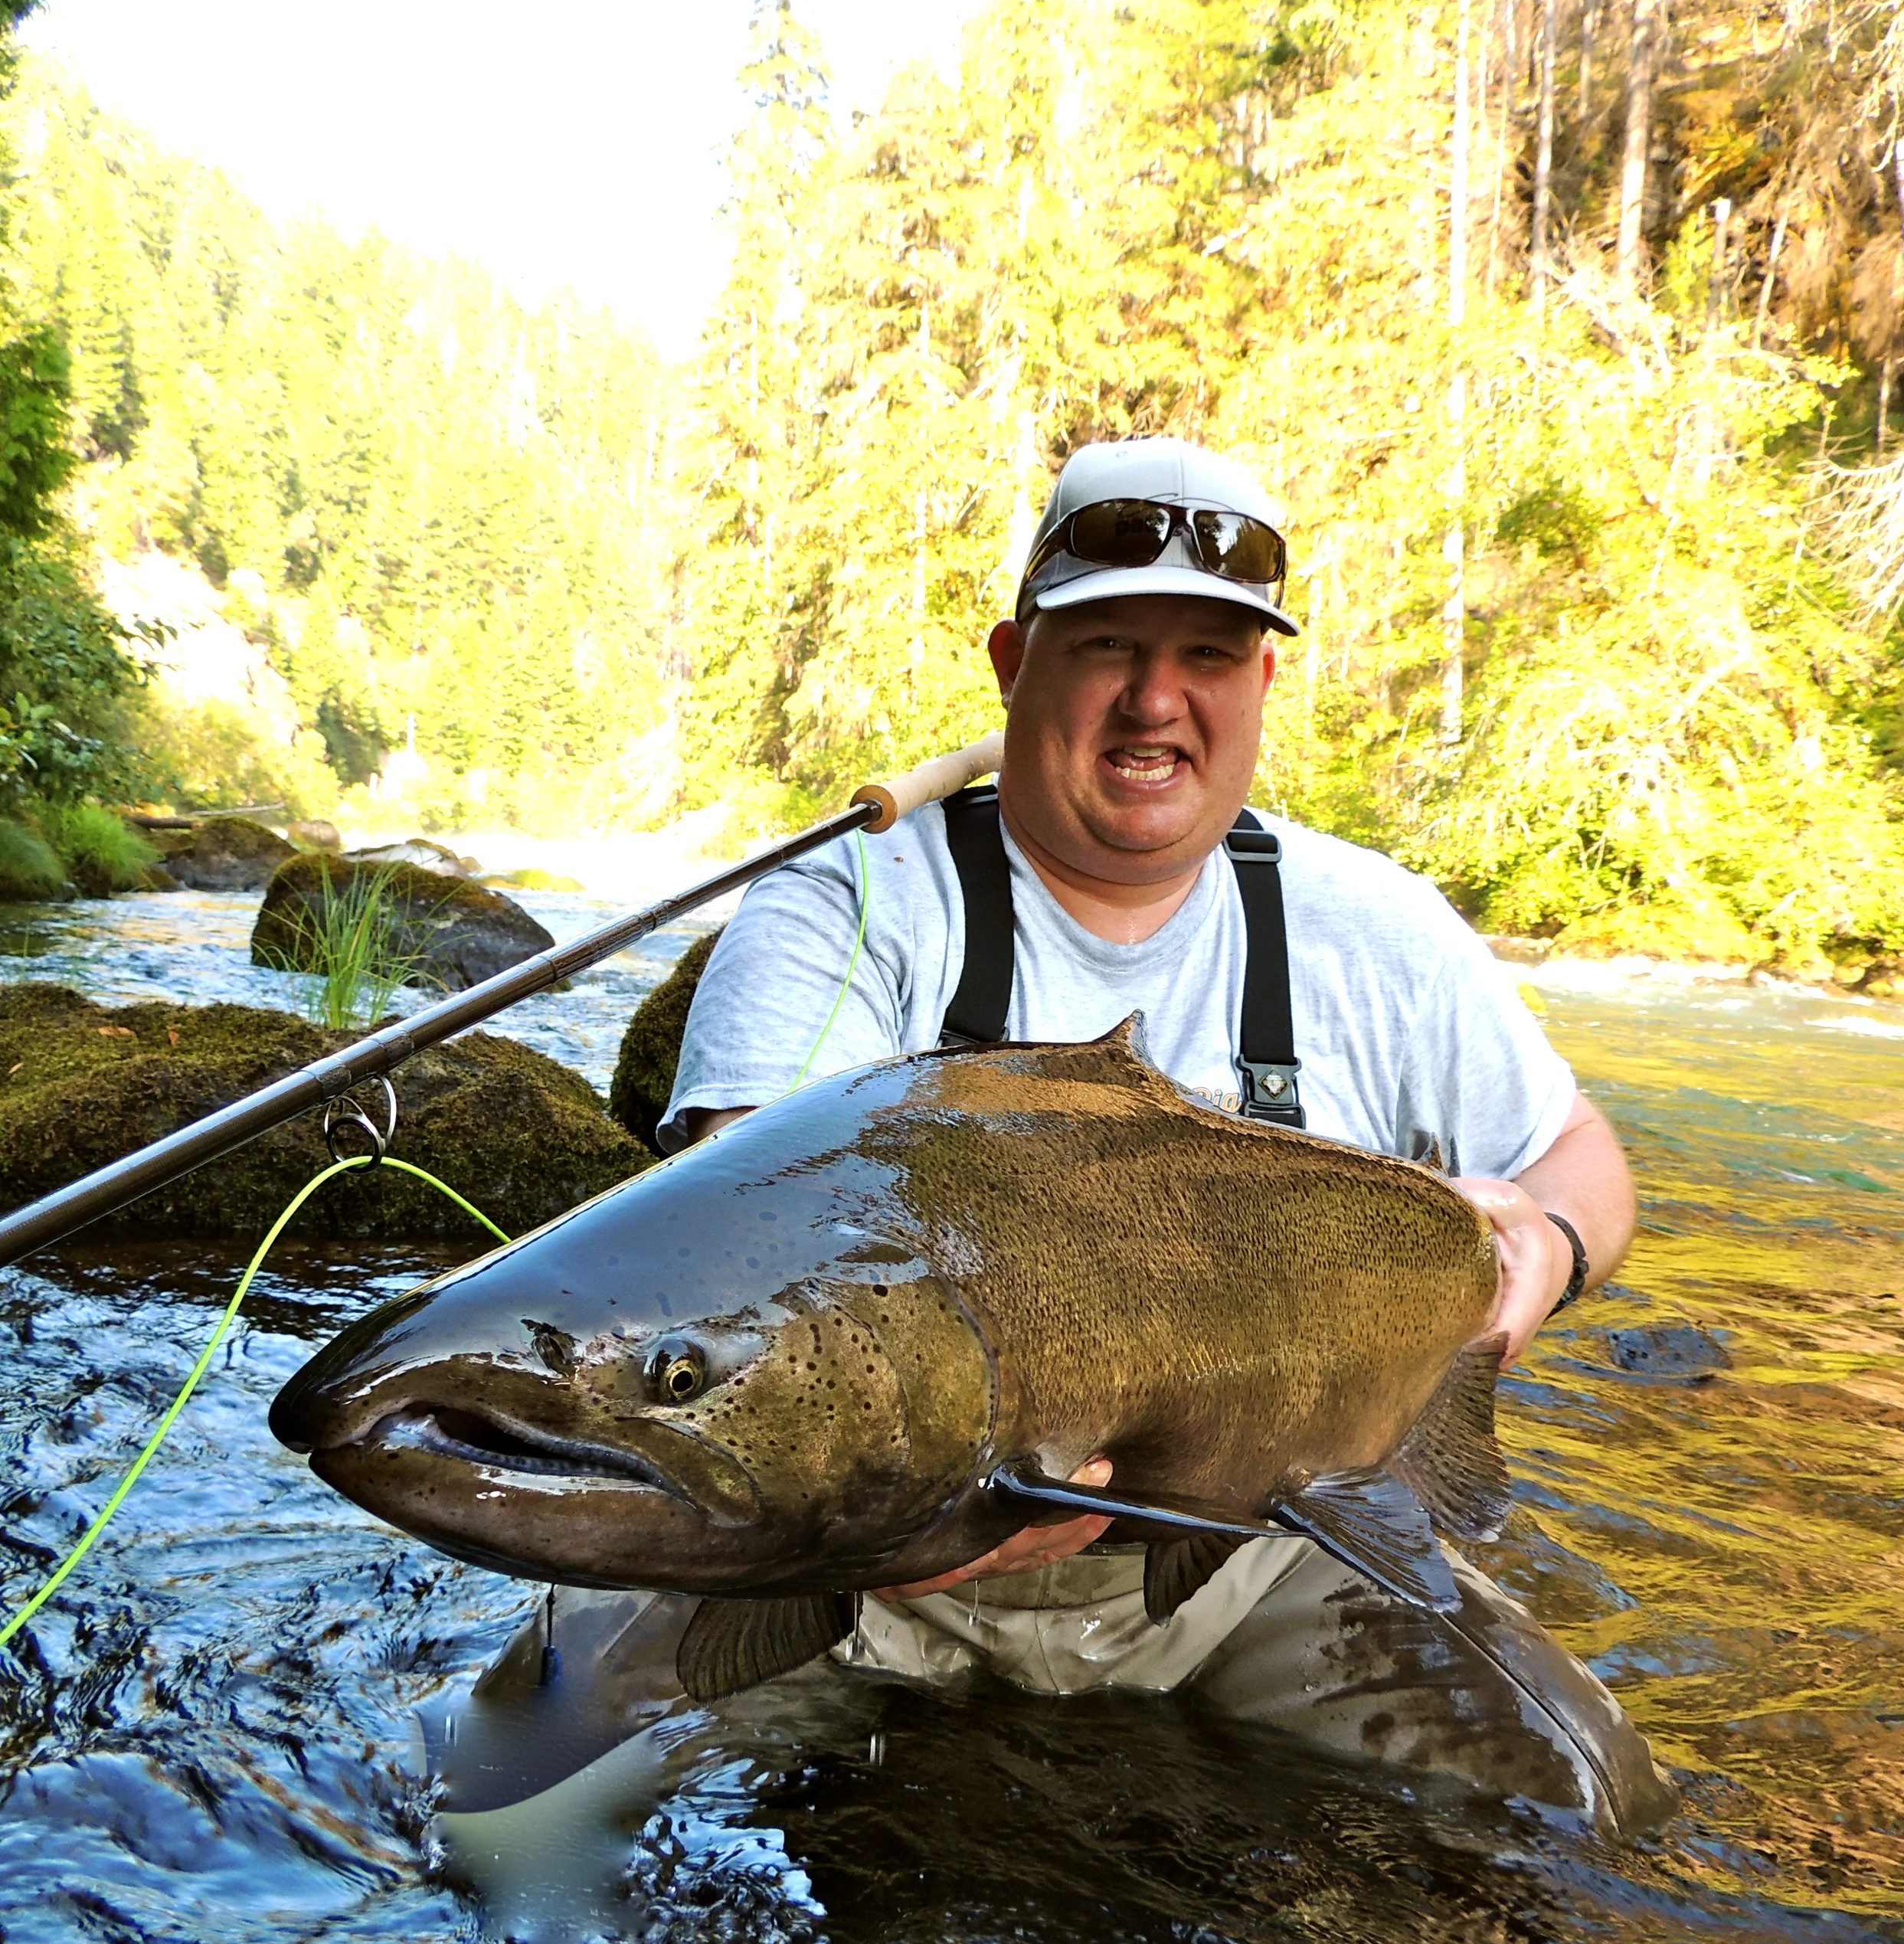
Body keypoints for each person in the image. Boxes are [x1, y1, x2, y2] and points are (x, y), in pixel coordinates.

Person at [450, 439, 1667, 1834]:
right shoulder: (844, 909)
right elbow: (739, 1279)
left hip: (1256, 1552)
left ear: (1262, 682)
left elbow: (1579, 1153)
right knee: (502, 1808)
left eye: (1210, 654)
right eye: (1108, 646)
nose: (1158, 699)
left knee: (1577, 1803)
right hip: (841, 1557)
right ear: (1014, 658)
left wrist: (1540, 1255)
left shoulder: (1370, 928)